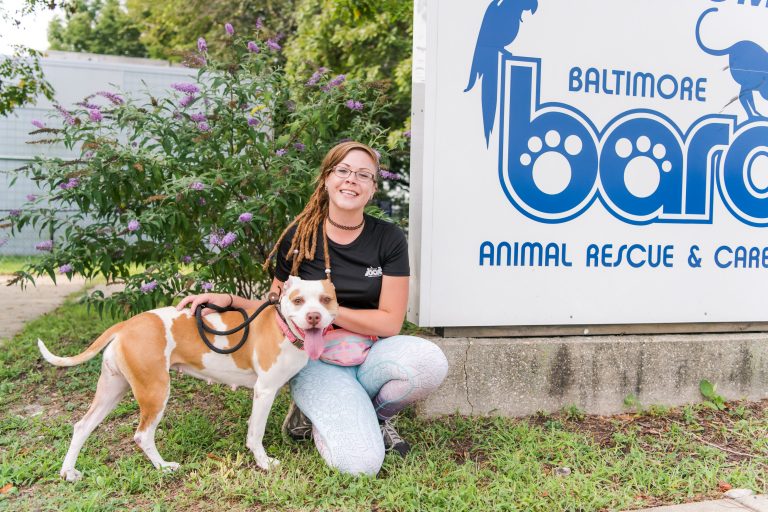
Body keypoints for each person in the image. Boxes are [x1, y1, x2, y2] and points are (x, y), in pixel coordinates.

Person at [176, 141, 448, 476]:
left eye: (363, 174)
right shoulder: (299, 236)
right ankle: (316, 411)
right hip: (314, 359)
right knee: (359, 464)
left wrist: (328, 310)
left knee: (430, 362)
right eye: (343, 171)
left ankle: (374, 415)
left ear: (373, 187)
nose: (352, 180)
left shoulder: (388, 238)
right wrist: (231, 301)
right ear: (326, 179)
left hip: (369, 352)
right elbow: (275, 308)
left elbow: (390, 323)